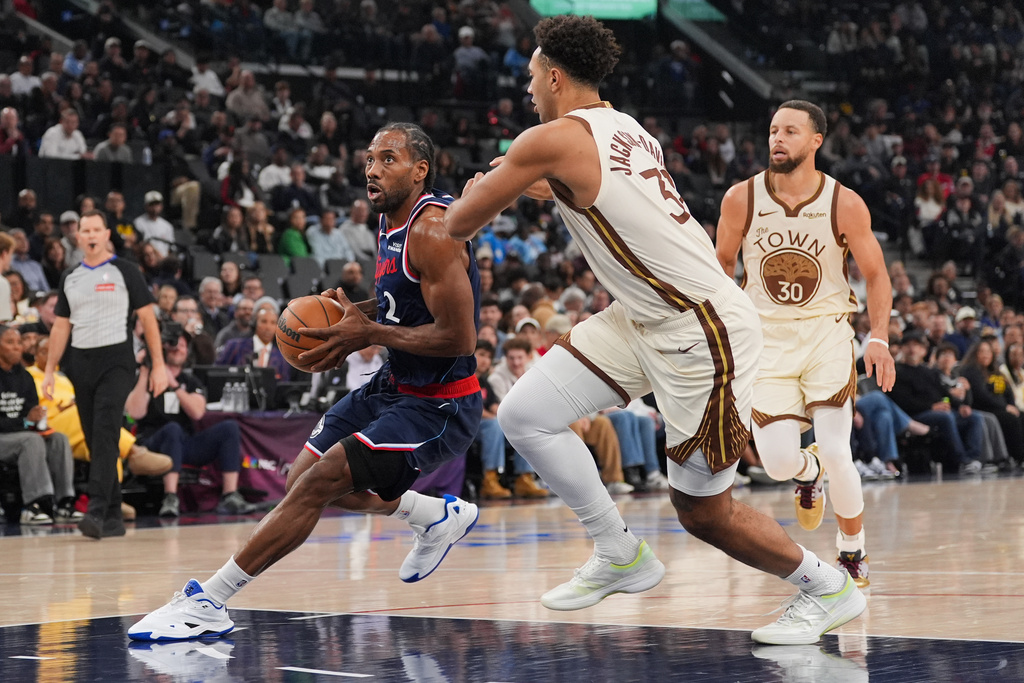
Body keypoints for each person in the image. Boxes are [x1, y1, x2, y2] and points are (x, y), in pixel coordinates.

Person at [443, 15, 865, 645]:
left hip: (702, 328)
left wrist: (482, 189)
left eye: (532, 75)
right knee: (525, 413)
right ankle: (618, 550)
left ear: (554, 75)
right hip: (645, 315)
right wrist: (516, 183)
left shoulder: (546, 138)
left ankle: (829, 589)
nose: (528, 86)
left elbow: (458, 224)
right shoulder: (628, 130)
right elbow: (573, 188)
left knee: (703, 513)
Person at [130, 123, 483, 642]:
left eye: (388, 159)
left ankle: (210, 600)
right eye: (368, 159)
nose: (372, 169)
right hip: (394, 383)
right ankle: (431, 514)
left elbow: (460, 337)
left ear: (420, 169)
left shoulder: (430, 231)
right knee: (301, 481)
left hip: (440, 404)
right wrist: (347, 320)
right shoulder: (388, 225)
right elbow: (400, 308)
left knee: (319, 484)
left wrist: (369, 330)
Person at [716, 99, 896, 589]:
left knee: (839, 450)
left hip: (826, 332)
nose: (778, 138)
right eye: (774, 130)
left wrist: (877, 336)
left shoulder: (844, 202)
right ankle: (805, 468)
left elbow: (877, 276)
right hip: (765, 339)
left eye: (791, 131)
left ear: (816, 141)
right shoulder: (741, 199)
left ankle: (852, 552)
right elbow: (719, 270)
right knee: (775, 463)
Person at [42, 211, 168, 540]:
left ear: (107, 233)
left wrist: (158, 364)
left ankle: (96, 508)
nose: (92, 235)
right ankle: (113, 514)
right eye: (86, 230)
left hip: (118, 359)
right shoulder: (70, 276)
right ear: (79, 236)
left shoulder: (126, 271)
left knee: (106, 428)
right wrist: (49, 370)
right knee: (95, 435)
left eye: (97, 229)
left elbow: (148, 319)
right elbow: (60, 326)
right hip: (80, 362)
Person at [126, 327, 256, 519]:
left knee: (229, 428)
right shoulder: (147, 378)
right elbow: (134, 413)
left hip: (184, 442)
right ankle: (170, 496)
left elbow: (197, 413)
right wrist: (147, 370)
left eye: (183, 346)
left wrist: (175, 386)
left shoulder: (190, 381)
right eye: (173, 345)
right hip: (152, 444)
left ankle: (230, 495)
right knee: (171, 429)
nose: (178, 349)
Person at [0, 325, 80, 525]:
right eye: (10, 342)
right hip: (6, 437)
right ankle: (34, 505)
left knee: (58, 439)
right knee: (31, 441)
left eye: (19, 343)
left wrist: (37, 420)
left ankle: (64, 503)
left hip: (22, 433)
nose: (17, 347)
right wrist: (26, 422)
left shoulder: (24, 377)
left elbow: (31, 413)